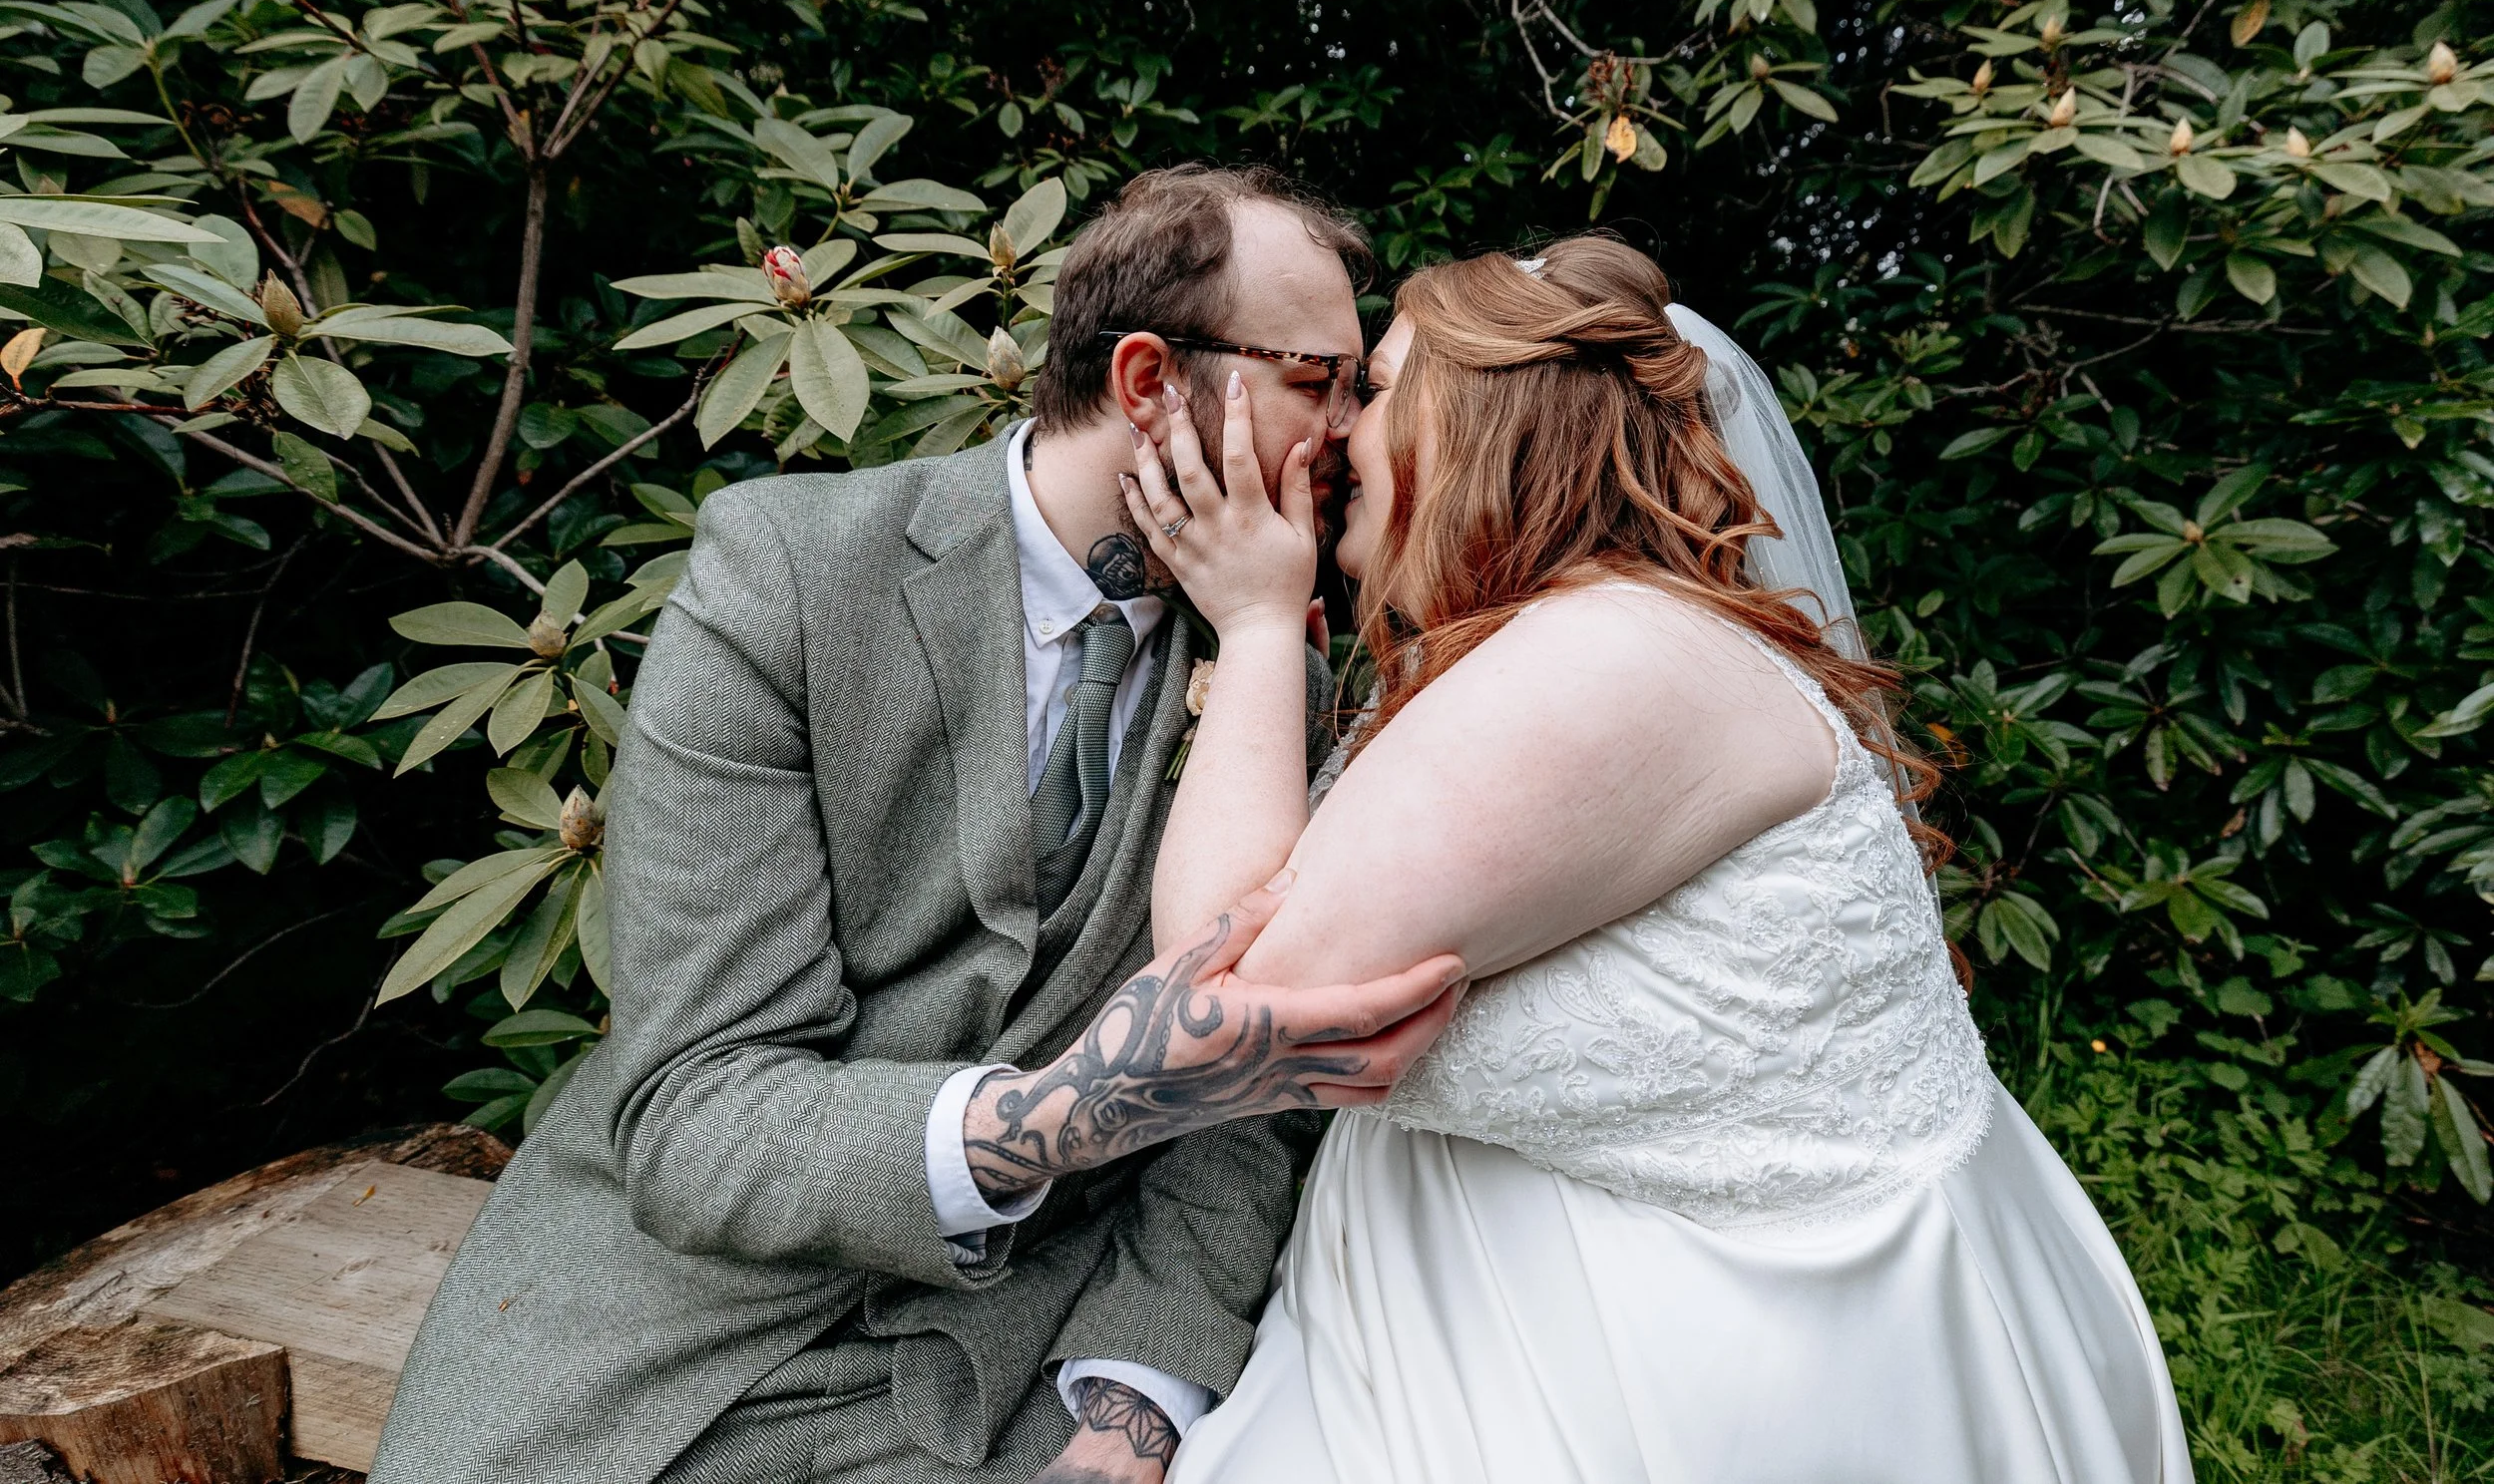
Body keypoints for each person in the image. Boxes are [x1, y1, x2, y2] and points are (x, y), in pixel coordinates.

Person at [367, 166, 1464, 1484]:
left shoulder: (1290, 655)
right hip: (672, 1324)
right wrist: (1060, 1112)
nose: (1350, 431)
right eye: (1316, 380)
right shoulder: (785, 582)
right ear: (1147, 382)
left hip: (1020, 1348)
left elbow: (1260, 1093)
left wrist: (1136, 1395)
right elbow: (695, 1114)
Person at [1120, 236, 2194, 1483]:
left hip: (1686, 1366)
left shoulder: (1616, 655)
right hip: (1472, 1295)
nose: (1339, 427)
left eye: (1380, 386)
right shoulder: (1563, 642)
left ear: (1484, 421)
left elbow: (1217, 989)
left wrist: (1254, 622)